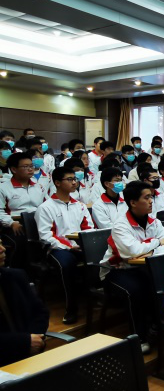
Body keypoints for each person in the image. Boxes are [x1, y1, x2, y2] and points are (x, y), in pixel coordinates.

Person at [100, 181, 164, 353]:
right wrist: (156, 242)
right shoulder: (121, 225)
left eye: (151, 197)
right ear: (133, 202)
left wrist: (149, 250)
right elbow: (132, 252)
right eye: (146, 198)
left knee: (162, 283)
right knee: (135, 290)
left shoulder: (154, 222)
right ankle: (138, 337)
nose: (151, 201)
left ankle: (157, 326)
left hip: (142, 268)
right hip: (116, 270)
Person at [36, 166, 94, 323]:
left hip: (79, 245)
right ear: (57, 183)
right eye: (69, 179)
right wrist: (69, 246)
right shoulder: (46, 207)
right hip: (56, 248)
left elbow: (88, 228)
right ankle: (71, 308)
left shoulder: (80, 205)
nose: (74, 182)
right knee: (67, 264)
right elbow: (46, 235)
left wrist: (85, 244)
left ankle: (99, 297)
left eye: (75, 179)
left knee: (100, 257)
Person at [0, 239, 50, 367]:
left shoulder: (16, 276)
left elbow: (40, 312)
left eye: (1, 243)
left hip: (31, 356)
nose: (3, 249)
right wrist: (25, 342)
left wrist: (34, 339)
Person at [0, 154, 47, 267]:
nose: (30, 169)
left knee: (47, 242)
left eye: (31, 166)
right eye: (25, 166)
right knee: (21, 243)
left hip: (38, 223)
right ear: (14, 169)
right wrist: (11, 223)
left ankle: (40, 270)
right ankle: (16, 270)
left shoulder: (38, 186)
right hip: (16, 225)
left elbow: (47, 205)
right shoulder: (4, 188)